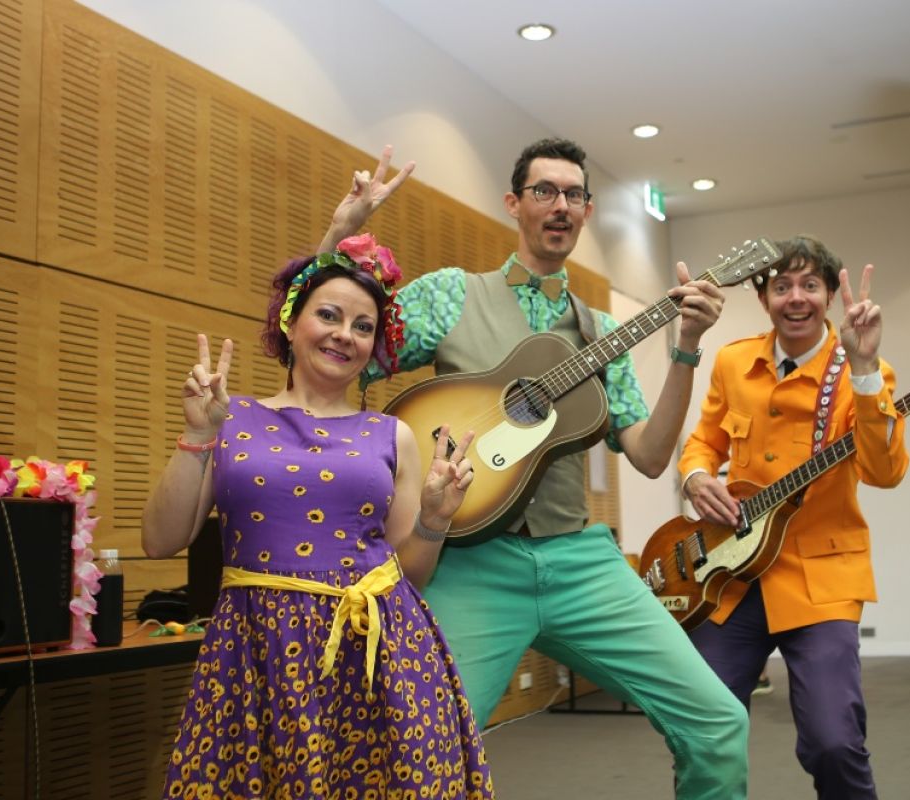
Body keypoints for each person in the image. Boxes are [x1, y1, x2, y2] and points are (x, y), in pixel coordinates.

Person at [330, 138, 749, 799]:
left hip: (582, 562)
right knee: (416, 744)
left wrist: (687, 348)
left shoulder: (601, 330)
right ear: (514, 203)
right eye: (544, 191)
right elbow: (342, 348)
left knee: (719, 720)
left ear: (586, 212)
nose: (561, 205)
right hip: (471, 562)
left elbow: (647, 456)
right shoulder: (450, 295)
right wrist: (340, 237)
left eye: (574, 195)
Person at [142, 155, 494, 799]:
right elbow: (160, 541)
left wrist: (437, 518)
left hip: (382, 652)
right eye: (328, 315)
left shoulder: (394, 435)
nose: (345, 335)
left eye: (364, 326)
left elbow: (412, 571)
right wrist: (196, 433)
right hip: (256, 653)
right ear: (292, 322)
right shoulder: (231, 416)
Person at [679, 234, 909, 799]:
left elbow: (885, 471)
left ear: (830, 295)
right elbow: (702, 443)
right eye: (781, 286)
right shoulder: (734, 362)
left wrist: (862, 369)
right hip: (733, 575)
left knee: (834, 742)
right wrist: (697, 478)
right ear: (763, 297)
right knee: (700, 730)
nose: (796, 298)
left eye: (810, 285)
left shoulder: (867, 372)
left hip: (822, 578)